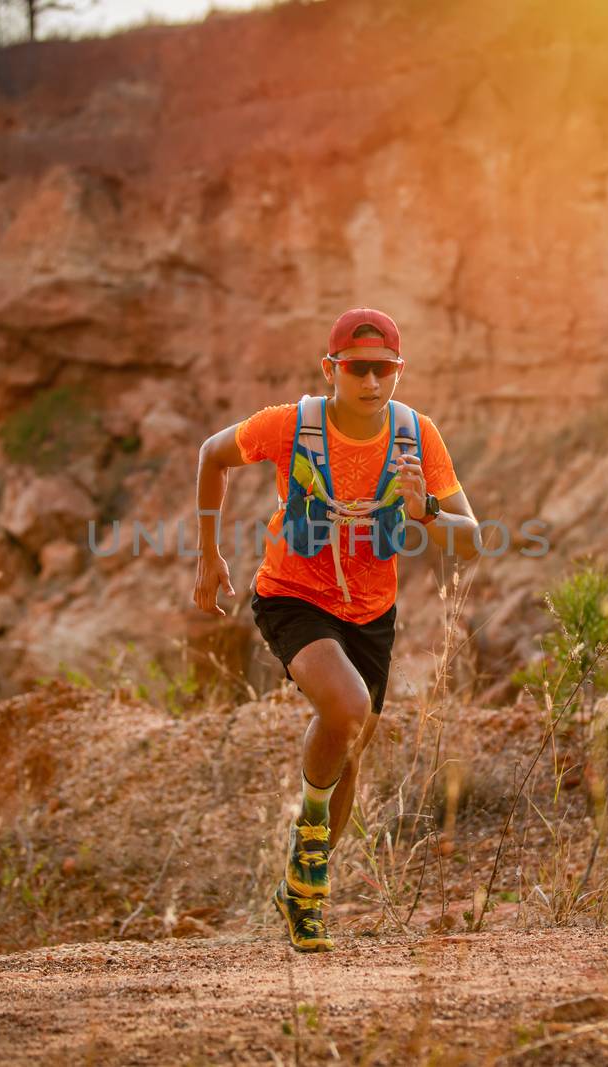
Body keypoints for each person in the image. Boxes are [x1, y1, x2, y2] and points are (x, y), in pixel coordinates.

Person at [192, 307, 482, 952]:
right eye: (357, 368)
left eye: (385, 369)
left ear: (399, 372)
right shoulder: (291, 426)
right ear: (332, 369)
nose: (371, 381)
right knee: (347, 709)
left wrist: (425, 508)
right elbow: (212, 455)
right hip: (291, 596)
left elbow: (473, 540)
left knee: (349, 749)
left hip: (372, 613)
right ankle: (313, 842)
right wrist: (207, 553)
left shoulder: (416, 438)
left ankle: (305, 893)